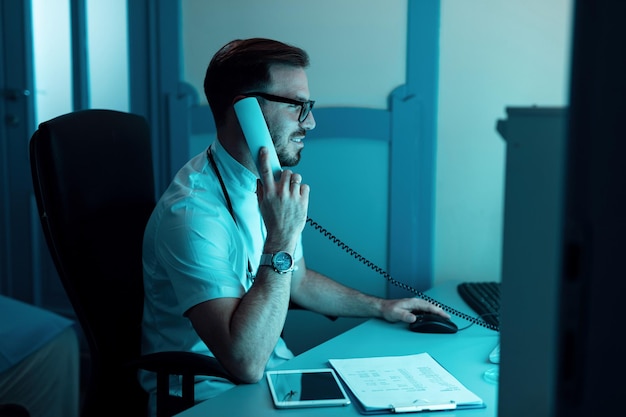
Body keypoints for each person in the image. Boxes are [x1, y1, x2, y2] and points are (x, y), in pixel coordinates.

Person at [139, 37, 448, 413]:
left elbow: (296, 280)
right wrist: (282, 236)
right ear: (246, 111)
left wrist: (380, 306)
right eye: (298, 107)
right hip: (206, 395)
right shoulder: (191, 216)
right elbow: (245, 362)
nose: (311, 122)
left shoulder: (265, 187)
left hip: (275, 376)